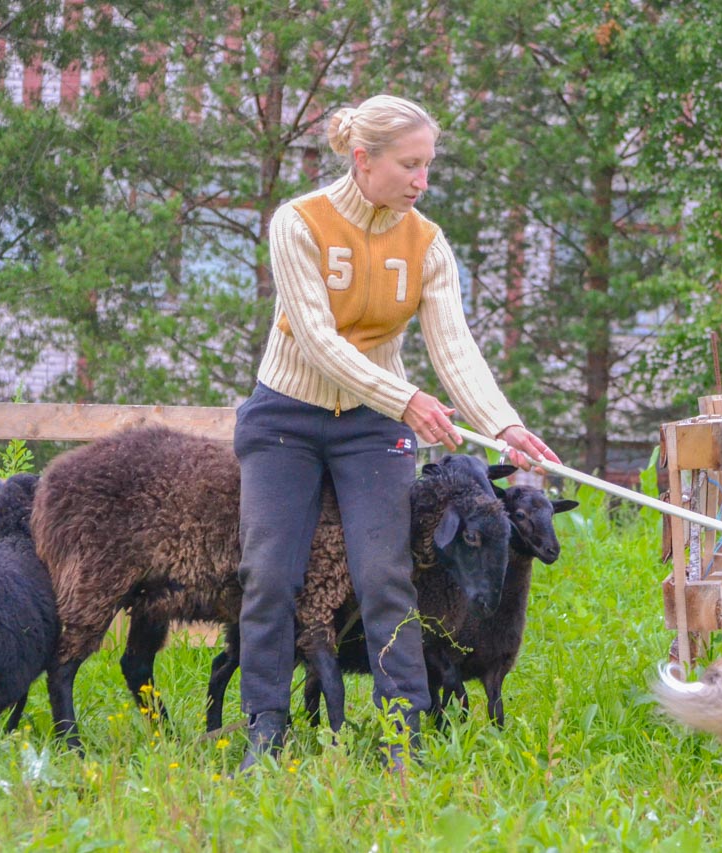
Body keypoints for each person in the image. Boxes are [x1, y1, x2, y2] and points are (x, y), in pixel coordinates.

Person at [234, 94, 561, 772]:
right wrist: (406, 397)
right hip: (286, 417)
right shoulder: (297, 223)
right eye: (410, 165)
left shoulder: (427, 242)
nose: (422, 180)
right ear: (364, 159)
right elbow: (320, 342)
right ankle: (265, 725)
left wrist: (506, 423)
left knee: (386, 576)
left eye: (427, 166)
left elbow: (455, 346)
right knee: (269, 574)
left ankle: (400, 734)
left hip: (371, 427)